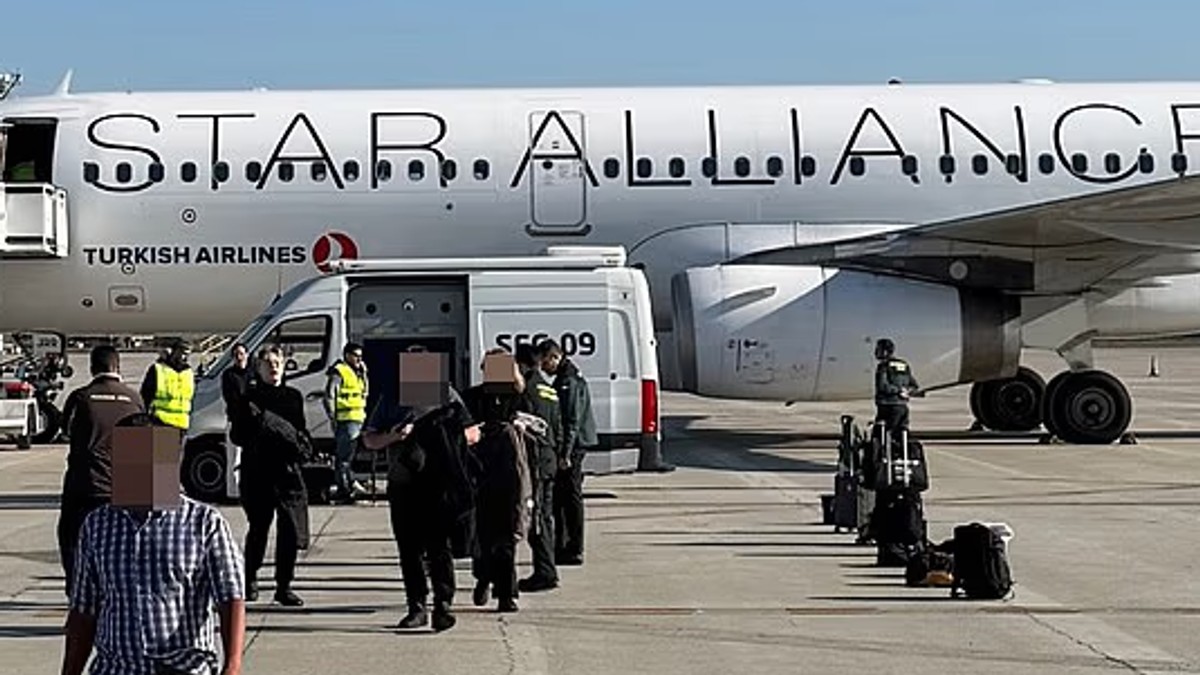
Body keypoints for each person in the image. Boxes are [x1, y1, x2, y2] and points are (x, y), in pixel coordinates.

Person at [60, 412, 246, 675]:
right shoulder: (97, 526)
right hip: (117, 668)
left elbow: (231, 598)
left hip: (183, 667)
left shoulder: (204, 523)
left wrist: (233, 665)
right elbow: (83, 612)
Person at [361, 349, 482, 632]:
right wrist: (395, 436)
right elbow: (369, 440)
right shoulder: (393, 397)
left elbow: (474, 432)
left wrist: (446, 438)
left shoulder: (446, 395)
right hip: (404, 483)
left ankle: (443, 604)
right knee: (409, 549)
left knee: (439, 548)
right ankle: (416, 606)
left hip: (439, 484)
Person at [56, 345, 144, 598]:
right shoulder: (134, 398)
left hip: (86, 486)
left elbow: (66, 432)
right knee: (120, 546)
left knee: (72, 541)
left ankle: (79, 596)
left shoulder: (81, 397)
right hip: (126, 488)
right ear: (118, 367)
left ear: (92, 368)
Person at [237, 345, 312, 607]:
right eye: (268, 362)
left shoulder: (293, 396)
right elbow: (239, 435)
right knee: (258, 529)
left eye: (277, 361)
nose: (274, 366)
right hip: (258, 472)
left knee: (289, 530)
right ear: (259, 368)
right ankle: (250, 578)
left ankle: (284, 585)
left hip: (286, 472)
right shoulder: (252, 397)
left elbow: (300, 431)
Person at [463, 350, 534, 613]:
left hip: (509, 474)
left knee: (506, 537)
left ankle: (506, 594)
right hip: (479, 472)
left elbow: (536, 425)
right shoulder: (471, 397)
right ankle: (483, 577)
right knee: (481, 536)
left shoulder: (518, 397)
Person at [536, 339, 597, 566]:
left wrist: (566, 454)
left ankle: (574, 546)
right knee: (563, 498)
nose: (543, 368)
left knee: (571, 497)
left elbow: (571, 421)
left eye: (545, 363)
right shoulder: (565, 378)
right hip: (573, 444)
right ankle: (565, 545)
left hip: (575, 445)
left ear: (555, 357)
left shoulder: (568, 381)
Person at [514, 343, 562, 593]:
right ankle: (546, 568)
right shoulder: (548, 389)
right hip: (549, 457)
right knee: (545, 516)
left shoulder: (526, 391)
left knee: (538, 519)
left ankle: (545, 572)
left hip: (535, 461)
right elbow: (559, 425)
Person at [324, 342, 369, 501]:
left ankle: (350, 483)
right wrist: (333, 417)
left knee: (349, 457)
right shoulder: (340, 372)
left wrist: (364, 374)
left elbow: (365, 393)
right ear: (347, 355)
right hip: (346, 420)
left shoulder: (356, 372)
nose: (359, 359)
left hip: (357, 419)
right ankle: (344, 489)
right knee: (343, 458)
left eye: (361, 356)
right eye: (356, 355)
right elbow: (329, 395)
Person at [140, 338, 195, 432]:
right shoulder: (158, 369)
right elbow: (145, 396)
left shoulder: (189, 373)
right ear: (172, 351)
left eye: (186, 354)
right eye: (180, 353)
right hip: (160, 422)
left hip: (182, 425)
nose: (182, 357)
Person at [873, 338, 920, 432]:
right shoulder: (904, 364)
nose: (875, 352)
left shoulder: (883, 366)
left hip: (887, 407)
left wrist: (898, 391)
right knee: (901, 434)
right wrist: (906, 391)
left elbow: (883, 386)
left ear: (885, 351)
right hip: (903, 407)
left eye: (878, 349)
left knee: (880, 435)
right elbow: (914, 385)